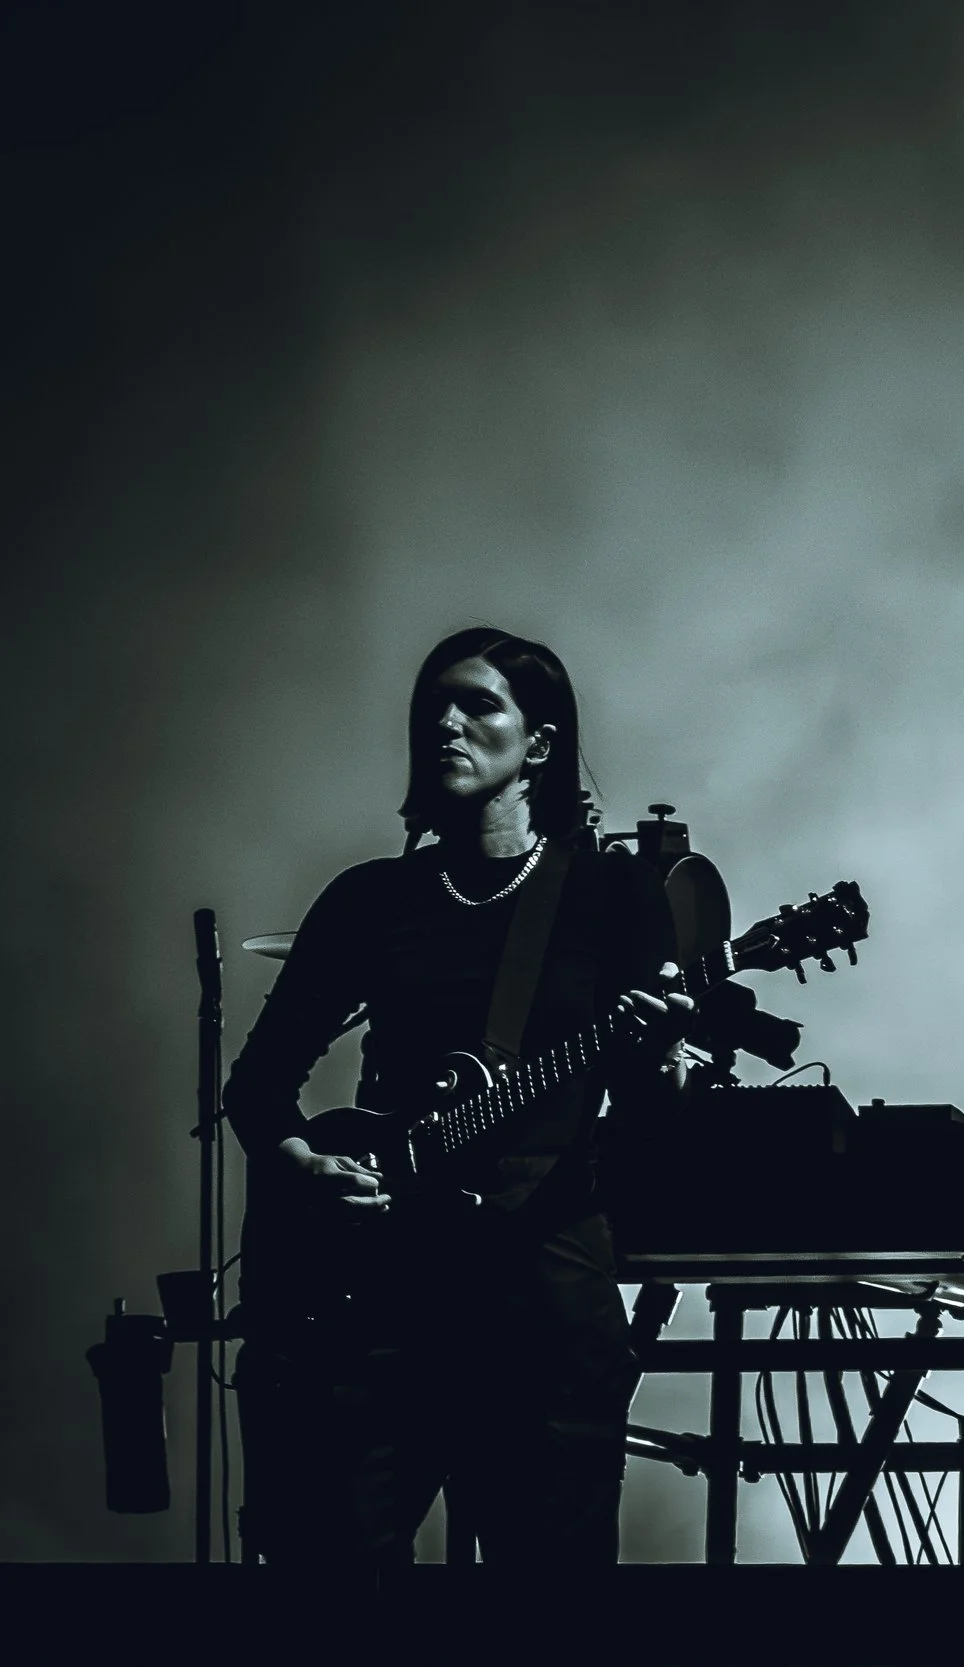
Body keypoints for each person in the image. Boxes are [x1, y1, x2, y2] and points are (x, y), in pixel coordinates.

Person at [226, 627, 691, 1567]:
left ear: (541, 743)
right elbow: (258, 1087)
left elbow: (651, 1112)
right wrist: (306, 1166)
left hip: (543, 1284)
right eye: (430, 706)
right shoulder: (370, 899)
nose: (444, 722)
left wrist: (657, 1054)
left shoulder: (614, 891)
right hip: (379, 1293)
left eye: (478, 704)